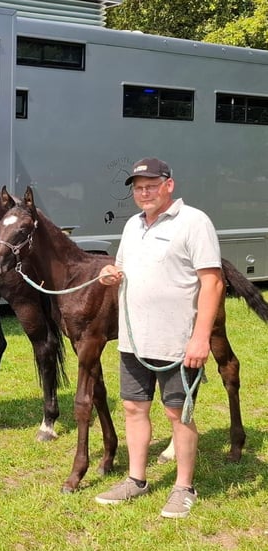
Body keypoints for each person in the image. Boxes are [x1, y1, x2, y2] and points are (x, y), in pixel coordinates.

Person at [95, 157, 223, 519]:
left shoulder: (194, 222)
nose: (144, 192)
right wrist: (111, 274)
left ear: (169, 184)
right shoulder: (134, 226)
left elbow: (212, 282)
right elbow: (122, 268)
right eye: (138, 187)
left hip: (178, 341)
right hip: (134, 340)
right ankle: (137, 479)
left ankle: (184, 487)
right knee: (135, 408)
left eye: (151, 185)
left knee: (176, 414)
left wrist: (200, 338)